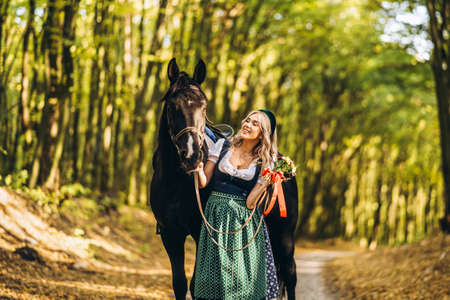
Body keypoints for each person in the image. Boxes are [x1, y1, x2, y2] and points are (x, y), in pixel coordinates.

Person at [193, 110, 281, 300]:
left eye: (254, 123)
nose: (247, 124)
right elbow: (204, 182)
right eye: (247, 120)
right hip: (215, 215)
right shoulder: (222, 146)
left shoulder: (264, 161)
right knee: (212, 275)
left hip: (243, 224)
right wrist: (198, 169)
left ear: (262, 133)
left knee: (240, 280)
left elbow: (251, 203)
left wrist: (266, 183)